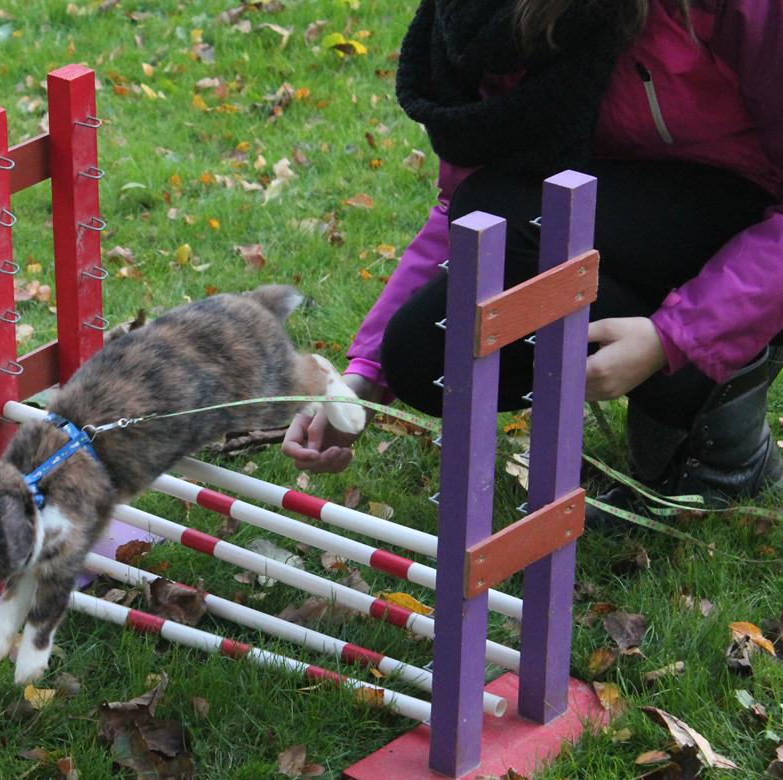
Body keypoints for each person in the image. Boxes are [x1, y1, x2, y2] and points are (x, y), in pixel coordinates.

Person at [283, 0, 783, 514]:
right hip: (607, 216)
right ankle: (667, 382)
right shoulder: (481, 19)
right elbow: (464, 208)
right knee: (416, 352)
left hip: (749, 216)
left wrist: (672, 338)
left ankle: (721, 431)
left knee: (504, 206)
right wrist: (362, 379)